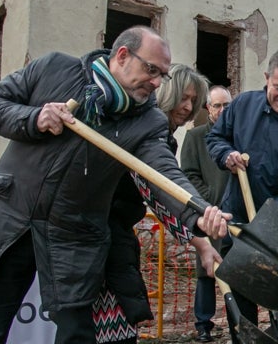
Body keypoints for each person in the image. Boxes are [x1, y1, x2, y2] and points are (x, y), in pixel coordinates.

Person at [0, 26, 227, 343]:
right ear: (123, 55)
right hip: (10, 227)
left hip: (72, 239)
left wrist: (198, 211)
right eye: (151, 70)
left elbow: (163, 172)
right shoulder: (55, 69)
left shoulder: (146, 121)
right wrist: (34, 119)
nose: (156, 82)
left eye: (162, 76)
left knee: (78, 335)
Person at [205, 47, 278, 342]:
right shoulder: (244, 105)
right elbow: (215, 137)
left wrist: (266, 232)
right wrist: (226, 154)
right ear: (267, 78)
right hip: (238, 225)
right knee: (242, 314)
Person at [94, 63, 212, 344]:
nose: (187, 106)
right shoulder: (145, 131)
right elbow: (157, 192)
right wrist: (198, 238)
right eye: (183, 97)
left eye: (194, 100)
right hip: (99, 236)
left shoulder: (165, 137)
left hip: (115, 235)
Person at [181, 84, 234, 343]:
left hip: (235, 216)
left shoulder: (239, 136)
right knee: (207, 269)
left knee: (235, 267)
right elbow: (188, 175)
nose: (222, 111)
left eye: (227, 105)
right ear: (208, 108)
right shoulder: (195, 137)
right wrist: (210, 200)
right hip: (208, 214)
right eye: (217, 105)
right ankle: (204, 322)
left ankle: (237, 320)